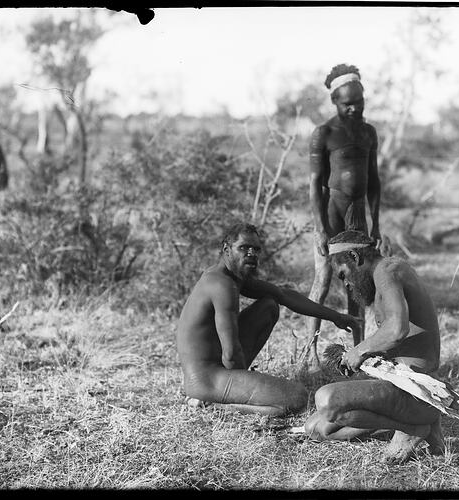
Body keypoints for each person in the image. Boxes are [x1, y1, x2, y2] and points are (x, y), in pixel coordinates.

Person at [176, 222, 361, 417]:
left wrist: (336, 317)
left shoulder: (232, 277)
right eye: (243, 248)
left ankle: (221, 395)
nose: (251, 253)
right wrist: (243, 383)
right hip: (206, 379)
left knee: (268, 306)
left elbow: (283, 295)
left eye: (256, 249)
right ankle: (216, 403)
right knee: (297, 397)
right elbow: (231, 354)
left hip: (212, 371)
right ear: (226, 250)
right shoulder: (222, 285)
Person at [303, 230, 445, 463]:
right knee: (316, 427)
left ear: (354, 257)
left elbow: (398, 329)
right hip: (401, 387)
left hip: (418, 392)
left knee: (326, 399)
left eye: (343, 275)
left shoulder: (387, 271)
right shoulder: (387, 272)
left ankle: (413, 428)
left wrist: (359, 350)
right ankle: (419, 426)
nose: (347, 284)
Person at [306, 63, 382, 350]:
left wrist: (376, 223)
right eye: (347, 104)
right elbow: (315, 183)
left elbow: (374, 180)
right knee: (323, 279)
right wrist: (320, 229)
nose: (354, 109)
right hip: (331, 213)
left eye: (359, 103)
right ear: (334, 101)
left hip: (358, 214)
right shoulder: (324, 133)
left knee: (360, 283)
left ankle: (360, 350)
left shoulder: (368, 133)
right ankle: (309, 353)